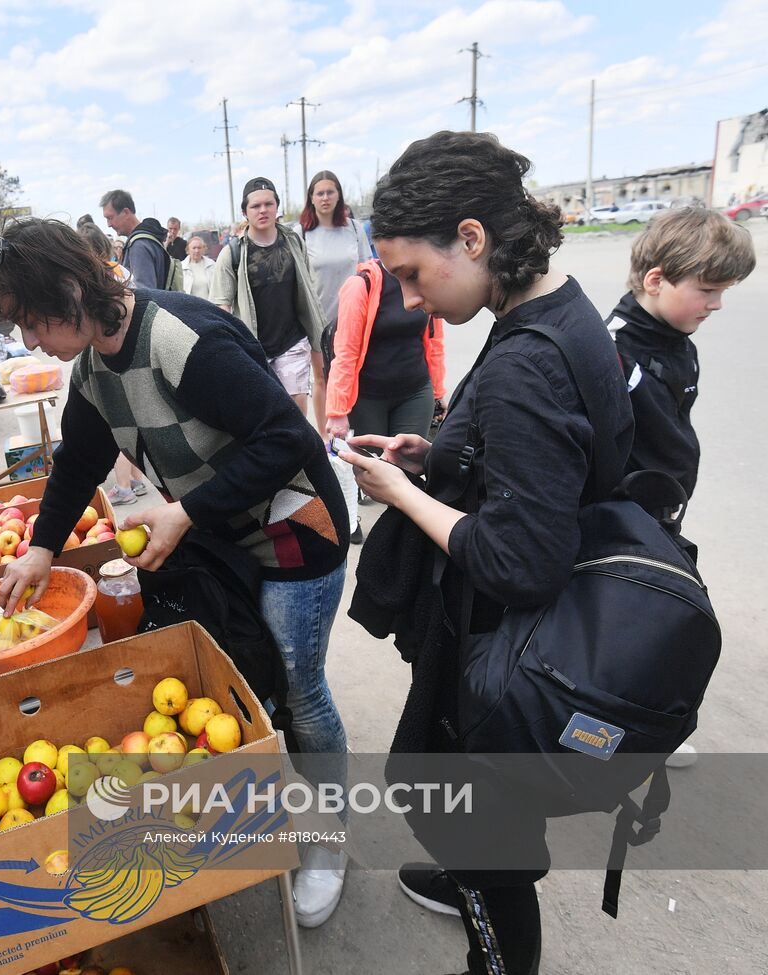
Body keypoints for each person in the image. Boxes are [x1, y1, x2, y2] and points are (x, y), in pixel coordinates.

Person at [0, 218, 352, 930]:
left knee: (299, 690)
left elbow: (289, 437)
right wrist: (42, 548)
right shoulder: (93, 369)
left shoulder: (181, 340)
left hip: (295, 532)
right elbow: (78, 462)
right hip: (225, 536)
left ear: (70, 290)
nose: (29, 342)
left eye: (31, 321)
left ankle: (329, 838)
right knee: (251, 683)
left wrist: (187, 511)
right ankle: (273, 805)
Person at [339, 131, 634, 975]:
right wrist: (440, 456)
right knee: (476, 815)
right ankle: (465, 878)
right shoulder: (562, 310)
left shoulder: (524, 363)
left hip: (505, 646)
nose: (407, 299)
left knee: (480, 832)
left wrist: (402, 495)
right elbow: (551, 466)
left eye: (411, 273)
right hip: (530, 639)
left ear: (471, 238)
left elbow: (520, 560)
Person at [605, 206, 755, 768]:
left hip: (663, 514)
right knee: (628, 629)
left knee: (656, 627)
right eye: (708, 291)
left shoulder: (678, 339)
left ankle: (641, 733)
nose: (716, 305)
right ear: (655, 280)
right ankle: (616, 742)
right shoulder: (611, 353)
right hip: (623, 523)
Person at [209, 176, 329, 430]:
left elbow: (307, 287)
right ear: (245, 212)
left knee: (296, 405)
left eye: (268, 204)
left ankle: (299, 450)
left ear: (277, 207)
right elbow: (221, 306)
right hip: (253, 346)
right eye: (255, 206)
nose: (263, 210)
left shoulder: (293, 242)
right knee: (263, 412)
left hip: (292, 340)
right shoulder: (232, 253)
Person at [325, 258, 447, 444]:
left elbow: (434, 340)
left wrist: (438, 392)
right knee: (370, 462)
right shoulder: (361, 284)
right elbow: (345, 352)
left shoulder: (426, 280)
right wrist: (337, 411)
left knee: (408, 461)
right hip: (367, 398)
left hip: (416, 393)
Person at [78, 222, 149, 506]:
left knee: (119, 427)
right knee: (133, 422)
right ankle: (137, 480)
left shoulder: (94, 279)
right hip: (133, 355)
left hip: (113, 360)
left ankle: (123, 487)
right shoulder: (121, 271)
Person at [299, 171, 373, 377]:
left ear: (339, 195)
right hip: (317, 322)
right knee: (323, 379)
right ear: (311, 198)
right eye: (320, 193)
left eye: (330, 192)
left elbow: (368, 271)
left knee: (355, 376)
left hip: (353, 317)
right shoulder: (301, 233)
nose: (325, 198)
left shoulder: (355, 229)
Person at [100, 188, 170, 289]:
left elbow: (144, 292)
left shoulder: (139, 246)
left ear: (126, 212)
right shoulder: (148, 239)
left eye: (110, 218)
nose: (109, 224)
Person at [181, 234, 215, 299]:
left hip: (208, 303)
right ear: (188, 250)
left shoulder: (212, 265)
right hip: (189, 304)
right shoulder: (182, 267)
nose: (197, 251)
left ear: (204, 249)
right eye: (194, 248)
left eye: (199, 248)